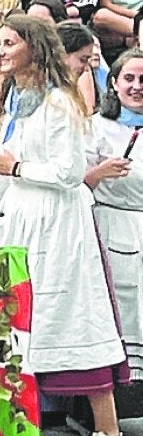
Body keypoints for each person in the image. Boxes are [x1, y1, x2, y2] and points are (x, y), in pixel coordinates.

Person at [0, 16, 129, 436]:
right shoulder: (13, 99)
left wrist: (17, 169)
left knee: (71, 315)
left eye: (10, 43)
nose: (2, 50)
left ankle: (109, 434)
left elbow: (67, 172)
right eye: (0, 42)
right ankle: (13, 424)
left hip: (59, 225)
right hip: (21, 219)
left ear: (34, 47)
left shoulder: (61, 103)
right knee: (17, 322)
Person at [86, 49, 143, 381]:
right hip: (112, 225)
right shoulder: (97, 126)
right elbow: (78, 180)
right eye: (129, 79)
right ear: (114, 83)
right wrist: (100, 172)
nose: (136, 87)